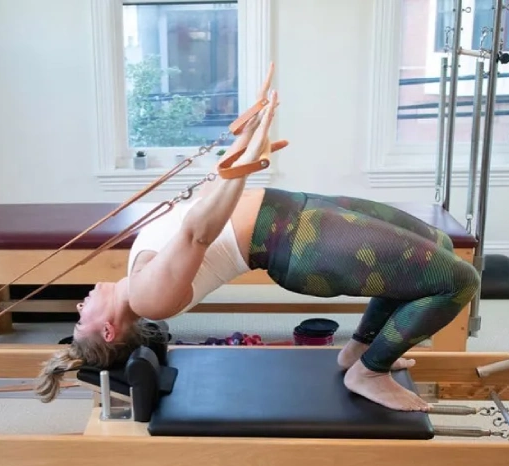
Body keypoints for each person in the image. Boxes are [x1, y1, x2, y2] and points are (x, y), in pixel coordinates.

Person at [35, 76, 480, 412]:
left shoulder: (137, 277)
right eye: (82, 322)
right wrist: (249, 163)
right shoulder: (151, 299)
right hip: (298, 243)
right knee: (458, 280)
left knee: (435, 242)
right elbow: (198, 231)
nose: (79, 306)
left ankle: (361, 348)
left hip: (296, 211)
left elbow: (207, 198)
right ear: (109, 331)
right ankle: (369, 372)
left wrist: (245, 140)